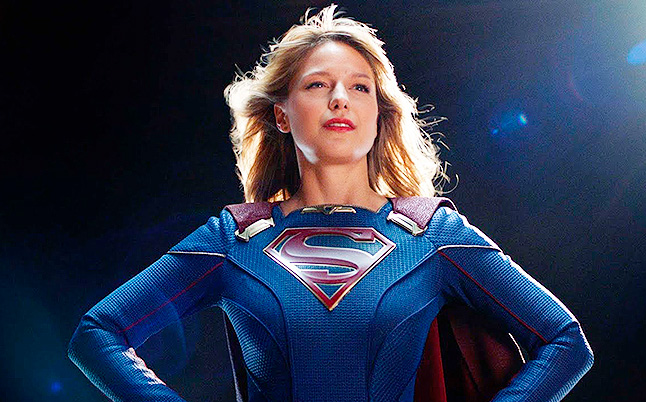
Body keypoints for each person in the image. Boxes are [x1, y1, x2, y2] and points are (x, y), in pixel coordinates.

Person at [68, 5, 593, 401]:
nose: (340, 98)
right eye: (318, 84)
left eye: (360, 88)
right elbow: (97, 334)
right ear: (281, 114)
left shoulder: (433, 235)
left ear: (379, 115)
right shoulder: (233, 240)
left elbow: (565, 342)